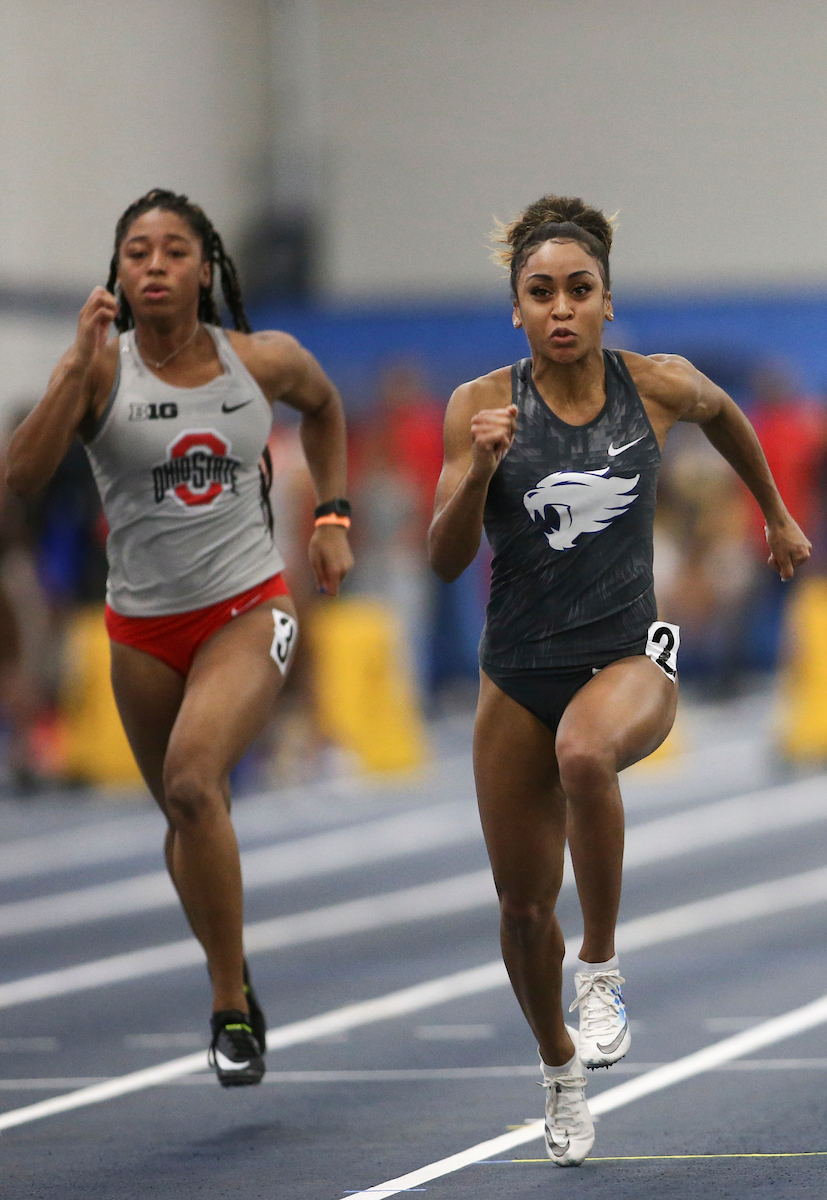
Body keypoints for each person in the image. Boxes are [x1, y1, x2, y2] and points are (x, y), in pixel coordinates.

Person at [427, 195, 811, 1166]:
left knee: (585, 752)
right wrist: (477, 471)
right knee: (519, 910)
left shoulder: (659, 387)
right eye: (539, 292)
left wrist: (771, 512)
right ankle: (558, 1066)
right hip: (515, 670)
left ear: (606, 300)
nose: (560, 308)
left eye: (578, 290)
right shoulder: (477, 405)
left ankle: (598, 968)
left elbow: (726, 416)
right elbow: (439, 561)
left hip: (633, 651)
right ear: (515, 309)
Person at [6, 188, 354, 1087]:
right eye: (136, 252)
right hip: (141, 628)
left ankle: (228, 1002)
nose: (153, 265)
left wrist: (332, 513)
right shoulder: (96, 369)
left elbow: (326, 409)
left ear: (206, 269)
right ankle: (234, 977)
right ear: (116, 274)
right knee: (186, 817)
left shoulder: (261, 361)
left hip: (248, 608)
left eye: (172, 250)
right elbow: (20, 476)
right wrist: (72, 373)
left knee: (194, 780)